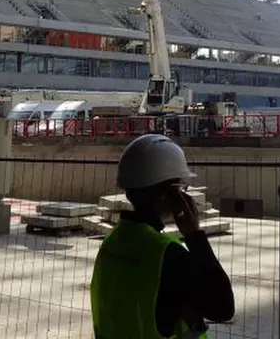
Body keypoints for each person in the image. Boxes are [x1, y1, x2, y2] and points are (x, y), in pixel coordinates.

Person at [90, 133, 235, 338]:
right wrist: (194, 235)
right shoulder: (166, 254)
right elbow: (223, 308)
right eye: (181, 188)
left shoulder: (111, 244)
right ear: (170, 195)